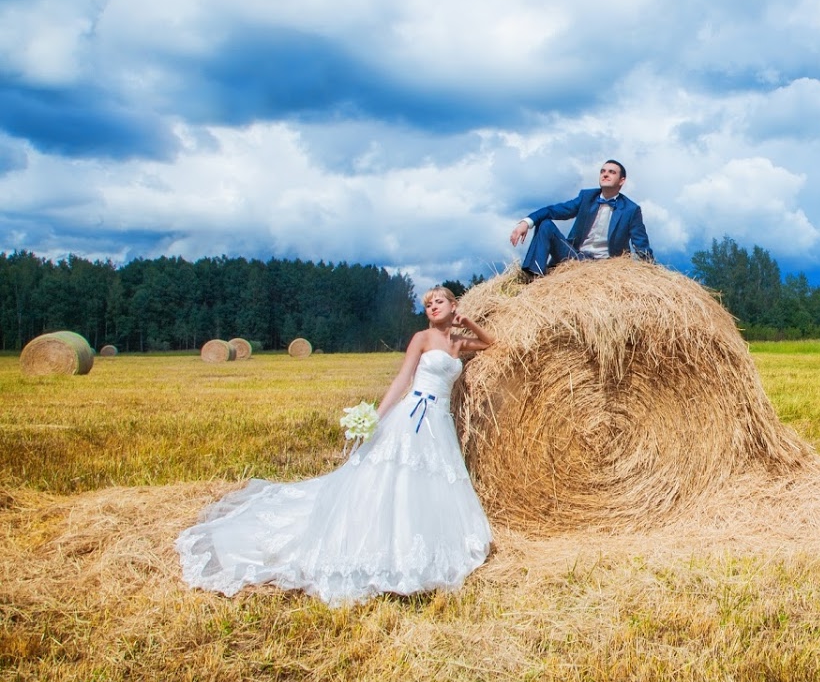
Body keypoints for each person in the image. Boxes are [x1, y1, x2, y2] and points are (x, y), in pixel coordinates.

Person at [177, 286, 495, 607]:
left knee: (433, 482)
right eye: (428, 304)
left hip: (439, 422)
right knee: (394, 481)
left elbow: (490, 343)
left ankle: (427, 545)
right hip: (412, 416)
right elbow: (402, 380)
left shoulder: (457, 343)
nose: (433, 307)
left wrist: (469, 323)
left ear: (454, 305)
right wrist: (376, 417)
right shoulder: (421, 339)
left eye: (439, 301)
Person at [509, 159, 653, 277]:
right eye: (602, 171)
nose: (605, 174)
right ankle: (534, 276)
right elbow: (554, 210)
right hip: (576, 257)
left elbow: (641, 244)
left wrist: (653, 273)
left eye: (611, 172)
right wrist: (526, 222)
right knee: (545, 224)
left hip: (607, 266)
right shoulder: (586, 197)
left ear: (621, 180)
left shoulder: (631, 209)